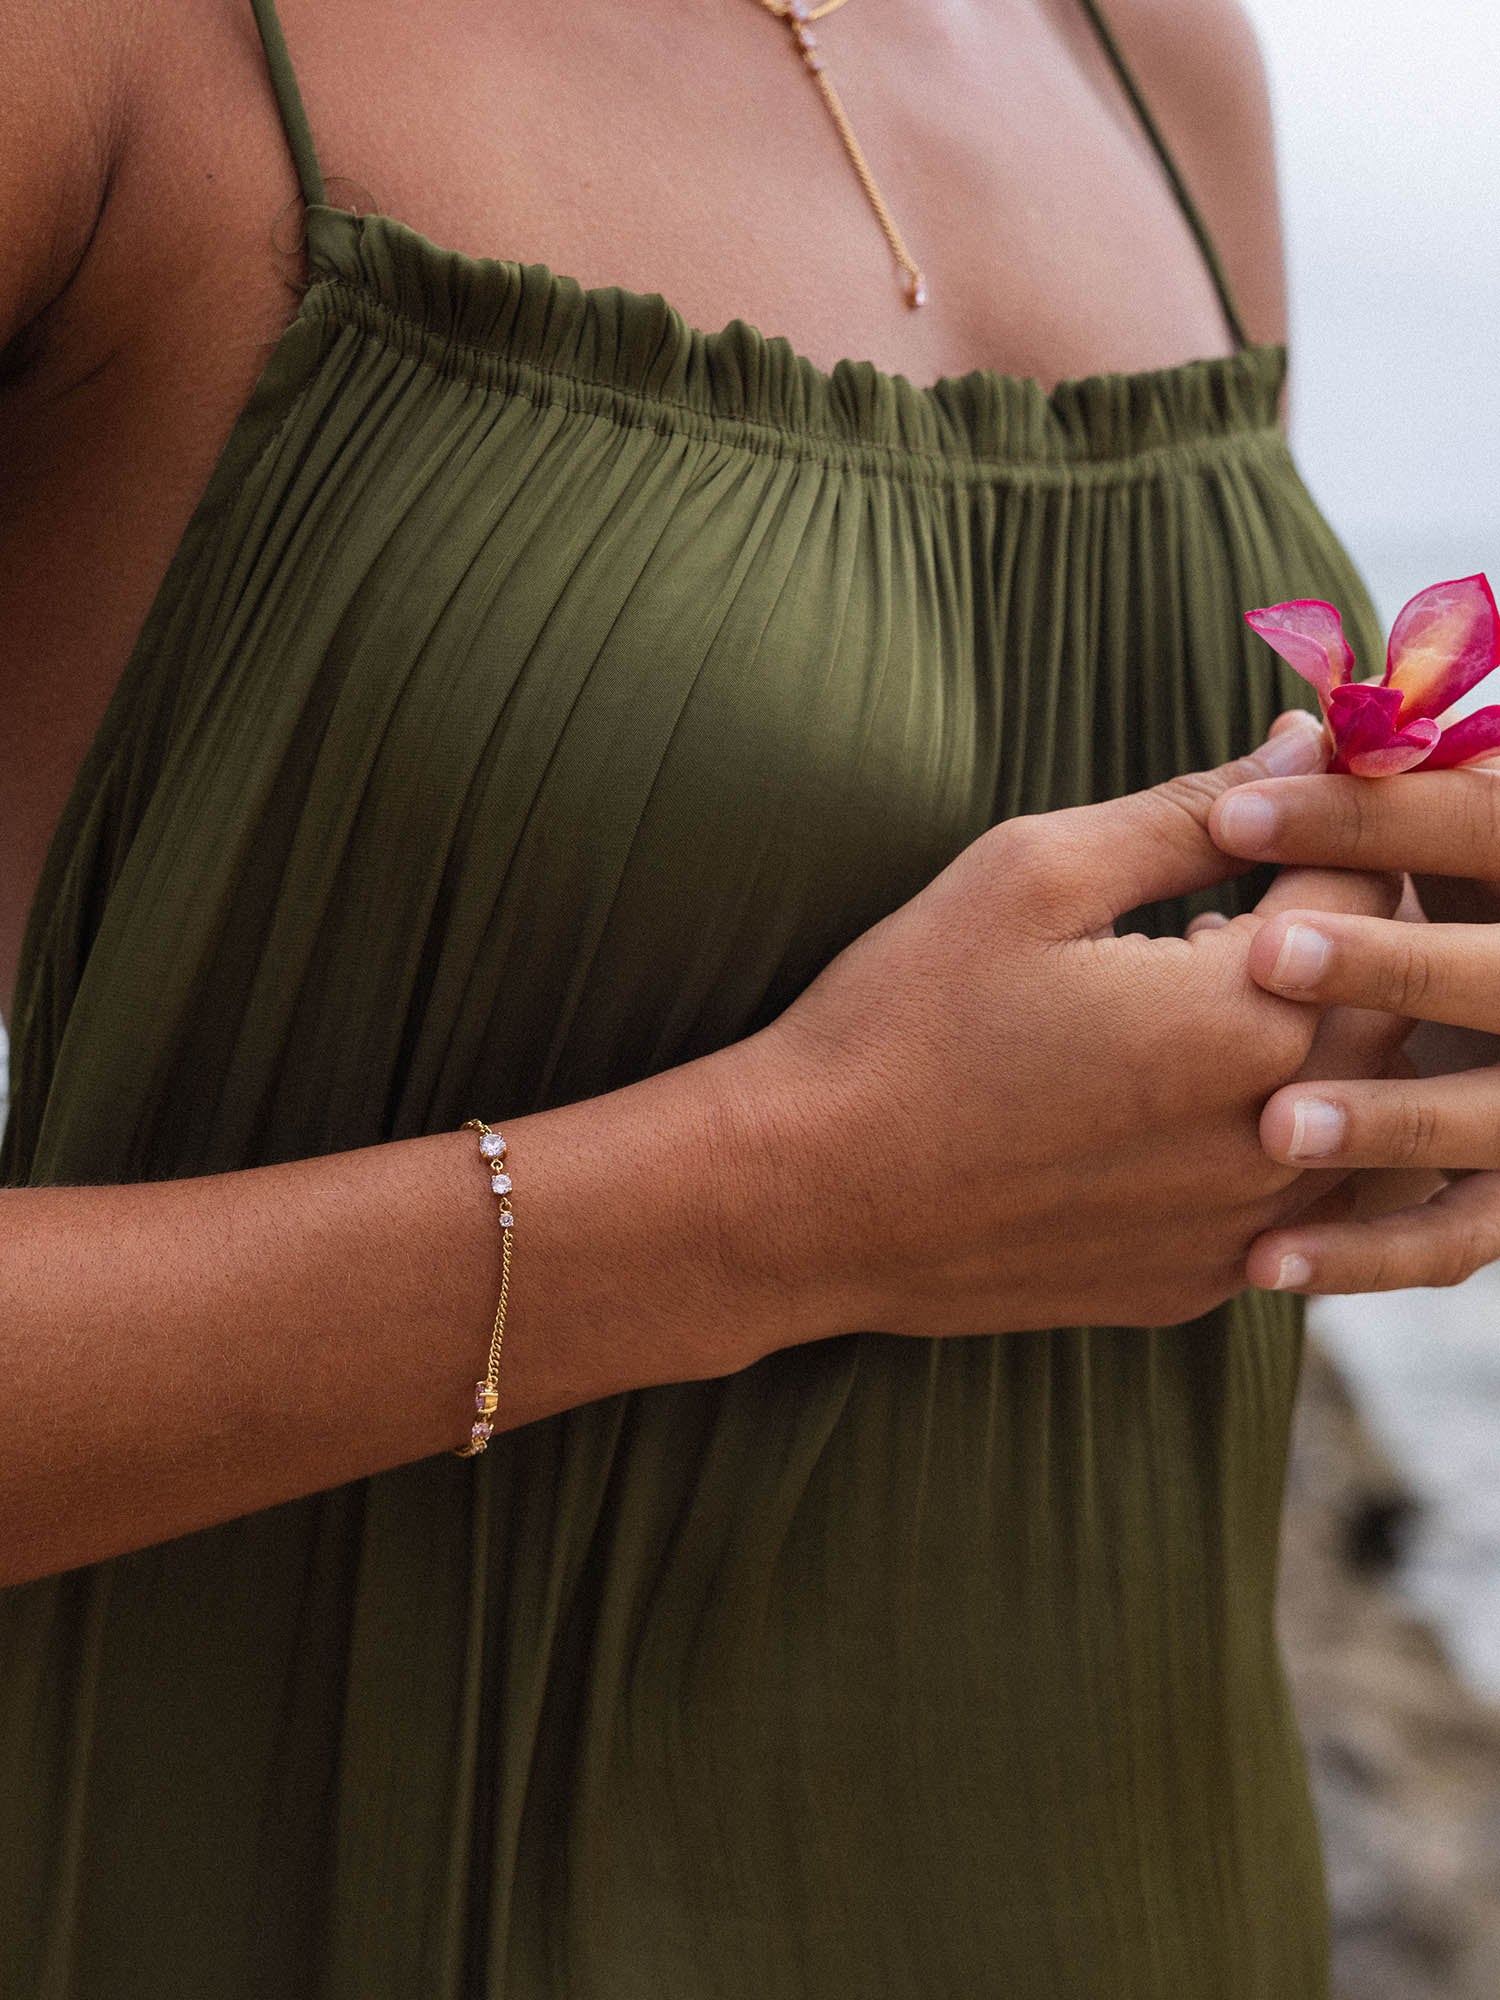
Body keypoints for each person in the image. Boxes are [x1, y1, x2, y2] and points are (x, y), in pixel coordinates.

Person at [0, 0, 1484, 1992]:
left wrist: (1386, 1027)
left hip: (1150, 1889)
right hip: (335, 1886)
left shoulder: (1146, 50)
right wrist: (789, 1201)